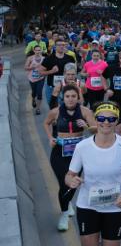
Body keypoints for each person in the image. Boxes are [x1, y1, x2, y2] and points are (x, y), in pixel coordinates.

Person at [65, 102, 121, 246]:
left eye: (111, 119)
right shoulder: (83, 147)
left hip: (115, 208)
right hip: (87, 207)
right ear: (96, 119)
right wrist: (71, 181)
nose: (106, 122)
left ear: (117, 121)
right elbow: (69, 174)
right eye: (102, 118)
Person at [43, 85, 96, 231]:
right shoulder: (56, 112)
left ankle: (67, 203)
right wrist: (50, 138)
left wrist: (86, 126)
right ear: (63, 98)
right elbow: (46, 123)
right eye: (67, 96)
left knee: (73, 182)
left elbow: (96, 128)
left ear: (78, 97)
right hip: (59, 152)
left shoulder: (85, 111)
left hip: (78, 154)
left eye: (73, 96)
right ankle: (65, 214)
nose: (71, 99)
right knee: (64, 183)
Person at [39, 36, 76, 106]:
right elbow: (40, 72)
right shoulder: (49, 59)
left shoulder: (70, 58)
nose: (61, 47)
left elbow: (74, 72)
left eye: (63, 45)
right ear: (55, 46)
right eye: (59, 45)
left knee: (66, 108)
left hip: (66, 87)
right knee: (53, 107)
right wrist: (51, 71)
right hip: (51, 87)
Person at [25, 44, 45, 115]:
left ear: (41, 50)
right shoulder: (30, 58)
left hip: (41, 78)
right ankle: (33, 99)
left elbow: (47, 68)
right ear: (34, 51)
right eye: (36, 50)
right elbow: (25, 68)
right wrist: (32, 67)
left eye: (39, 50)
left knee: (39, 93)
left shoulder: (44, 59)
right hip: (32, 78)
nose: (38, 51)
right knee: (34, 92)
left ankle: (38, 109)